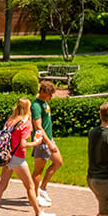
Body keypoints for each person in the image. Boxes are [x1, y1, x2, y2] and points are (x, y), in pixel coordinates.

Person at [0, 98, 55, 216]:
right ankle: (39, 215)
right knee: (30, 186)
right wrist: (36, 142)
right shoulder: (26, 123)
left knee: (2, 185)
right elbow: (23, 144)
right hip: (17, 157)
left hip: (6, 156)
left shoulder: (10, 121)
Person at [30, 80, 63, 208]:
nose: (51, 97)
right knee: (38, 171)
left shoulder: (44, 103)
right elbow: (38, 126)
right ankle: (35, 195)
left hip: (48, 139)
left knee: (58, 162)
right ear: (42, 92)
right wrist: (49, 143)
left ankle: (42, 189)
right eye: (49, 94)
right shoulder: (36, 106)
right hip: (43, 142)